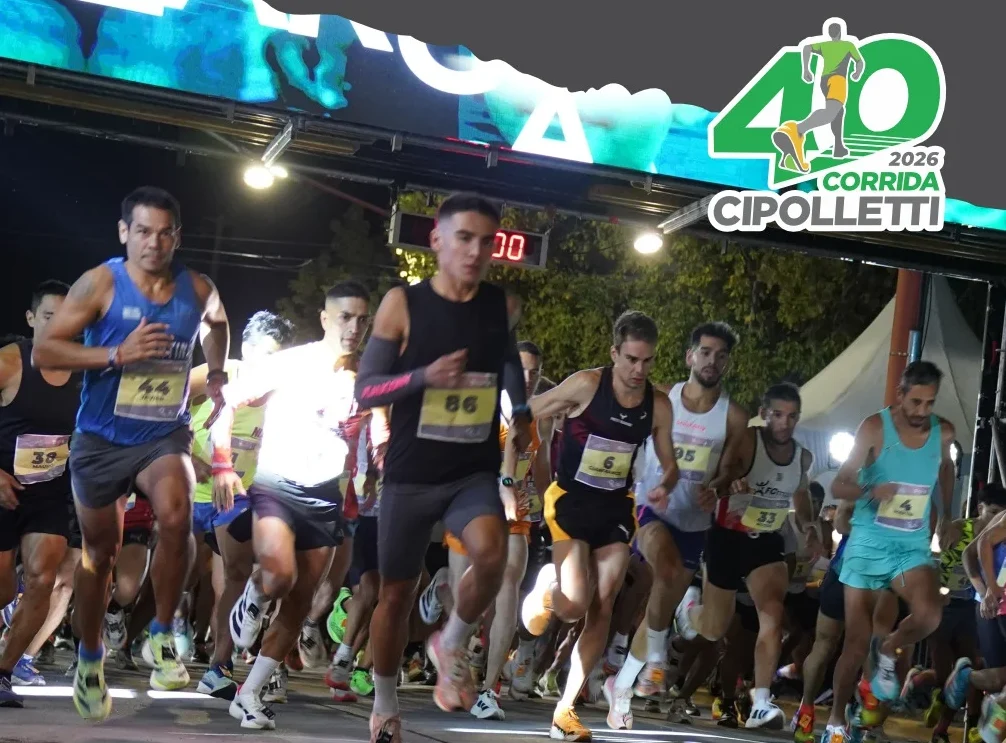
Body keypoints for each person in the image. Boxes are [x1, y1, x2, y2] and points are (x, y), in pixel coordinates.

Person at [31, 186, 231, 720]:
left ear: (177, 237)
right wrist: (117, 353)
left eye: (165, 232)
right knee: (99, 555)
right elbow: (45, 350)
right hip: (100, 439)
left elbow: (218, 324)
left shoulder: (197, 287)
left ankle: (164, 633)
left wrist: (214, 372)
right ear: (125, 233)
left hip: (162, 433)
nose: (154, 242)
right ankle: (91, 657)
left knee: (177, 508)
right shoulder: (100, 283)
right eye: (143, 231)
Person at [353, 193, 531, 743]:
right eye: (464, 238)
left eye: (486, 242)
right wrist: (422, 378)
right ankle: (384, 705)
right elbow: (365, 389)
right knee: (395, 597)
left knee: (494, 554)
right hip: (409, 474)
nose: (475, 252)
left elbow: (505, 360)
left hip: (470, 473)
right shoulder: (401, 305)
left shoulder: (501, 305)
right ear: (437, 240)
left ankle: (451, 640)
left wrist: (520, 410)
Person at [212, 281, 375, 729]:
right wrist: (223, 464)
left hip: (325, 497)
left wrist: (376, 467)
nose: (354, 327)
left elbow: (377, 432)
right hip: (277, 486)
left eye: (363, 319)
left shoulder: (365, 376)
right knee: (280, 577)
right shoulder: (292, 363)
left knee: (301, 602)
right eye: (346, 317)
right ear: (325, 318)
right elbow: (227, 404)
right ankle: (254, 596)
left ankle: (248, 694)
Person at [518, 310, 680, 741]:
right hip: (571, 502)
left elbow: (670, 465)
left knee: (603, 606)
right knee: (571, 606)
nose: (638, 370)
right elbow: (528, 412)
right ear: (614, 353)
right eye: (630, 360)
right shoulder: (587, 385)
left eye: (646, 362)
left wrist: (664, 484)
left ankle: (565, 710)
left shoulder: (657, 405)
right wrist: (521, 464)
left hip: (615, 509)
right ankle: (548, 585)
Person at [606, 322, 749, 730]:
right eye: (705, 352)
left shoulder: (734, 416)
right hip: (651, 508)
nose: (712, 361)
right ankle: (656, 660)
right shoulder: (662, 399)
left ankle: (623, 686)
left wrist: (717, 489)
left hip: (693, 521)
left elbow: (727, 471)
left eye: (721, 355)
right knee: (666, 573)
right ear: (690, 356)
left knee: (660, 605)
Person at [818, 361, 955, 743]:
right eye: (915, 402)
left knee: (929, 615)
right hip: (867, 542)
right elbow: (839, 485)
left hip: (909, 545)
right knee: (855, 641)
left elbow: (945, 468)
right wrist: (870, 492)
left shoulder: (942, 431)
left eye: (929, 403)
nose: (922, 412)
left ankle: (889, 650)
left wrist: (945, 514)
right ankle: (835, 721)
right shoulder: (875, 428)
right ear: (900, 395)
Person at [675, 382, 821, 728]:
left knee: (772, 614)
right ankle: (690, 609)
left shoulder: (802, 456)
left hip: (765, 541)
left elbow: (799, 492)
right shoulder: (747, 440)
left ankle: (761, 701)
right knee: (714, 630)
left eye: (792, 416)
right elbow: (720, 474)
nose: (785, 423)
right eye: (778, 415)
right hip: (727, 536)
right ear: (764, 414)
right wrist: (731, 483)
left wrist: (808, 523)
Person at [187, 310, 295, 699]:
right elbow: (165, 408)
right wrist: (192, 456)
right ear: (246, 350)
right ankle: (155, 633)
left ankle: (219, 667)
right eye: (264, 354)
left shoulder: (284, 393)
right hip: (190, 488)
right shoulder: (219, 374)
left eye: (277, 355)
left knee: (233, 574)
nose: (270, 363)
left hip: (237, 496)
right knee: (175, 579)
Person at [442, 338, 544, 720]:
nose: (530, 377)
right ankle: (457, 666)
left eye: (536, 370)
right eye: (523, 369)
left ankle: (489, 690)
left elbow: (539, 463)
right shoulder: (481, 403)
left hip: (514, 517)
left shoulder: (538, 413)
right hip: (471, 512)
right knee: (462, 597)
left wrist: (541, 498)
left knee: (508, 586)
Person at [0, 281, 79, 705]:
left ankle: (2, 672)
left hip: (48, 492)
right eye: (50, 316)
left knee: (42, 580)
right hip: (1, 488)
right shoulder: (11, 362)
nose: (59, 324)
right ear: (32, 320)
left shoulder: (84, 373)